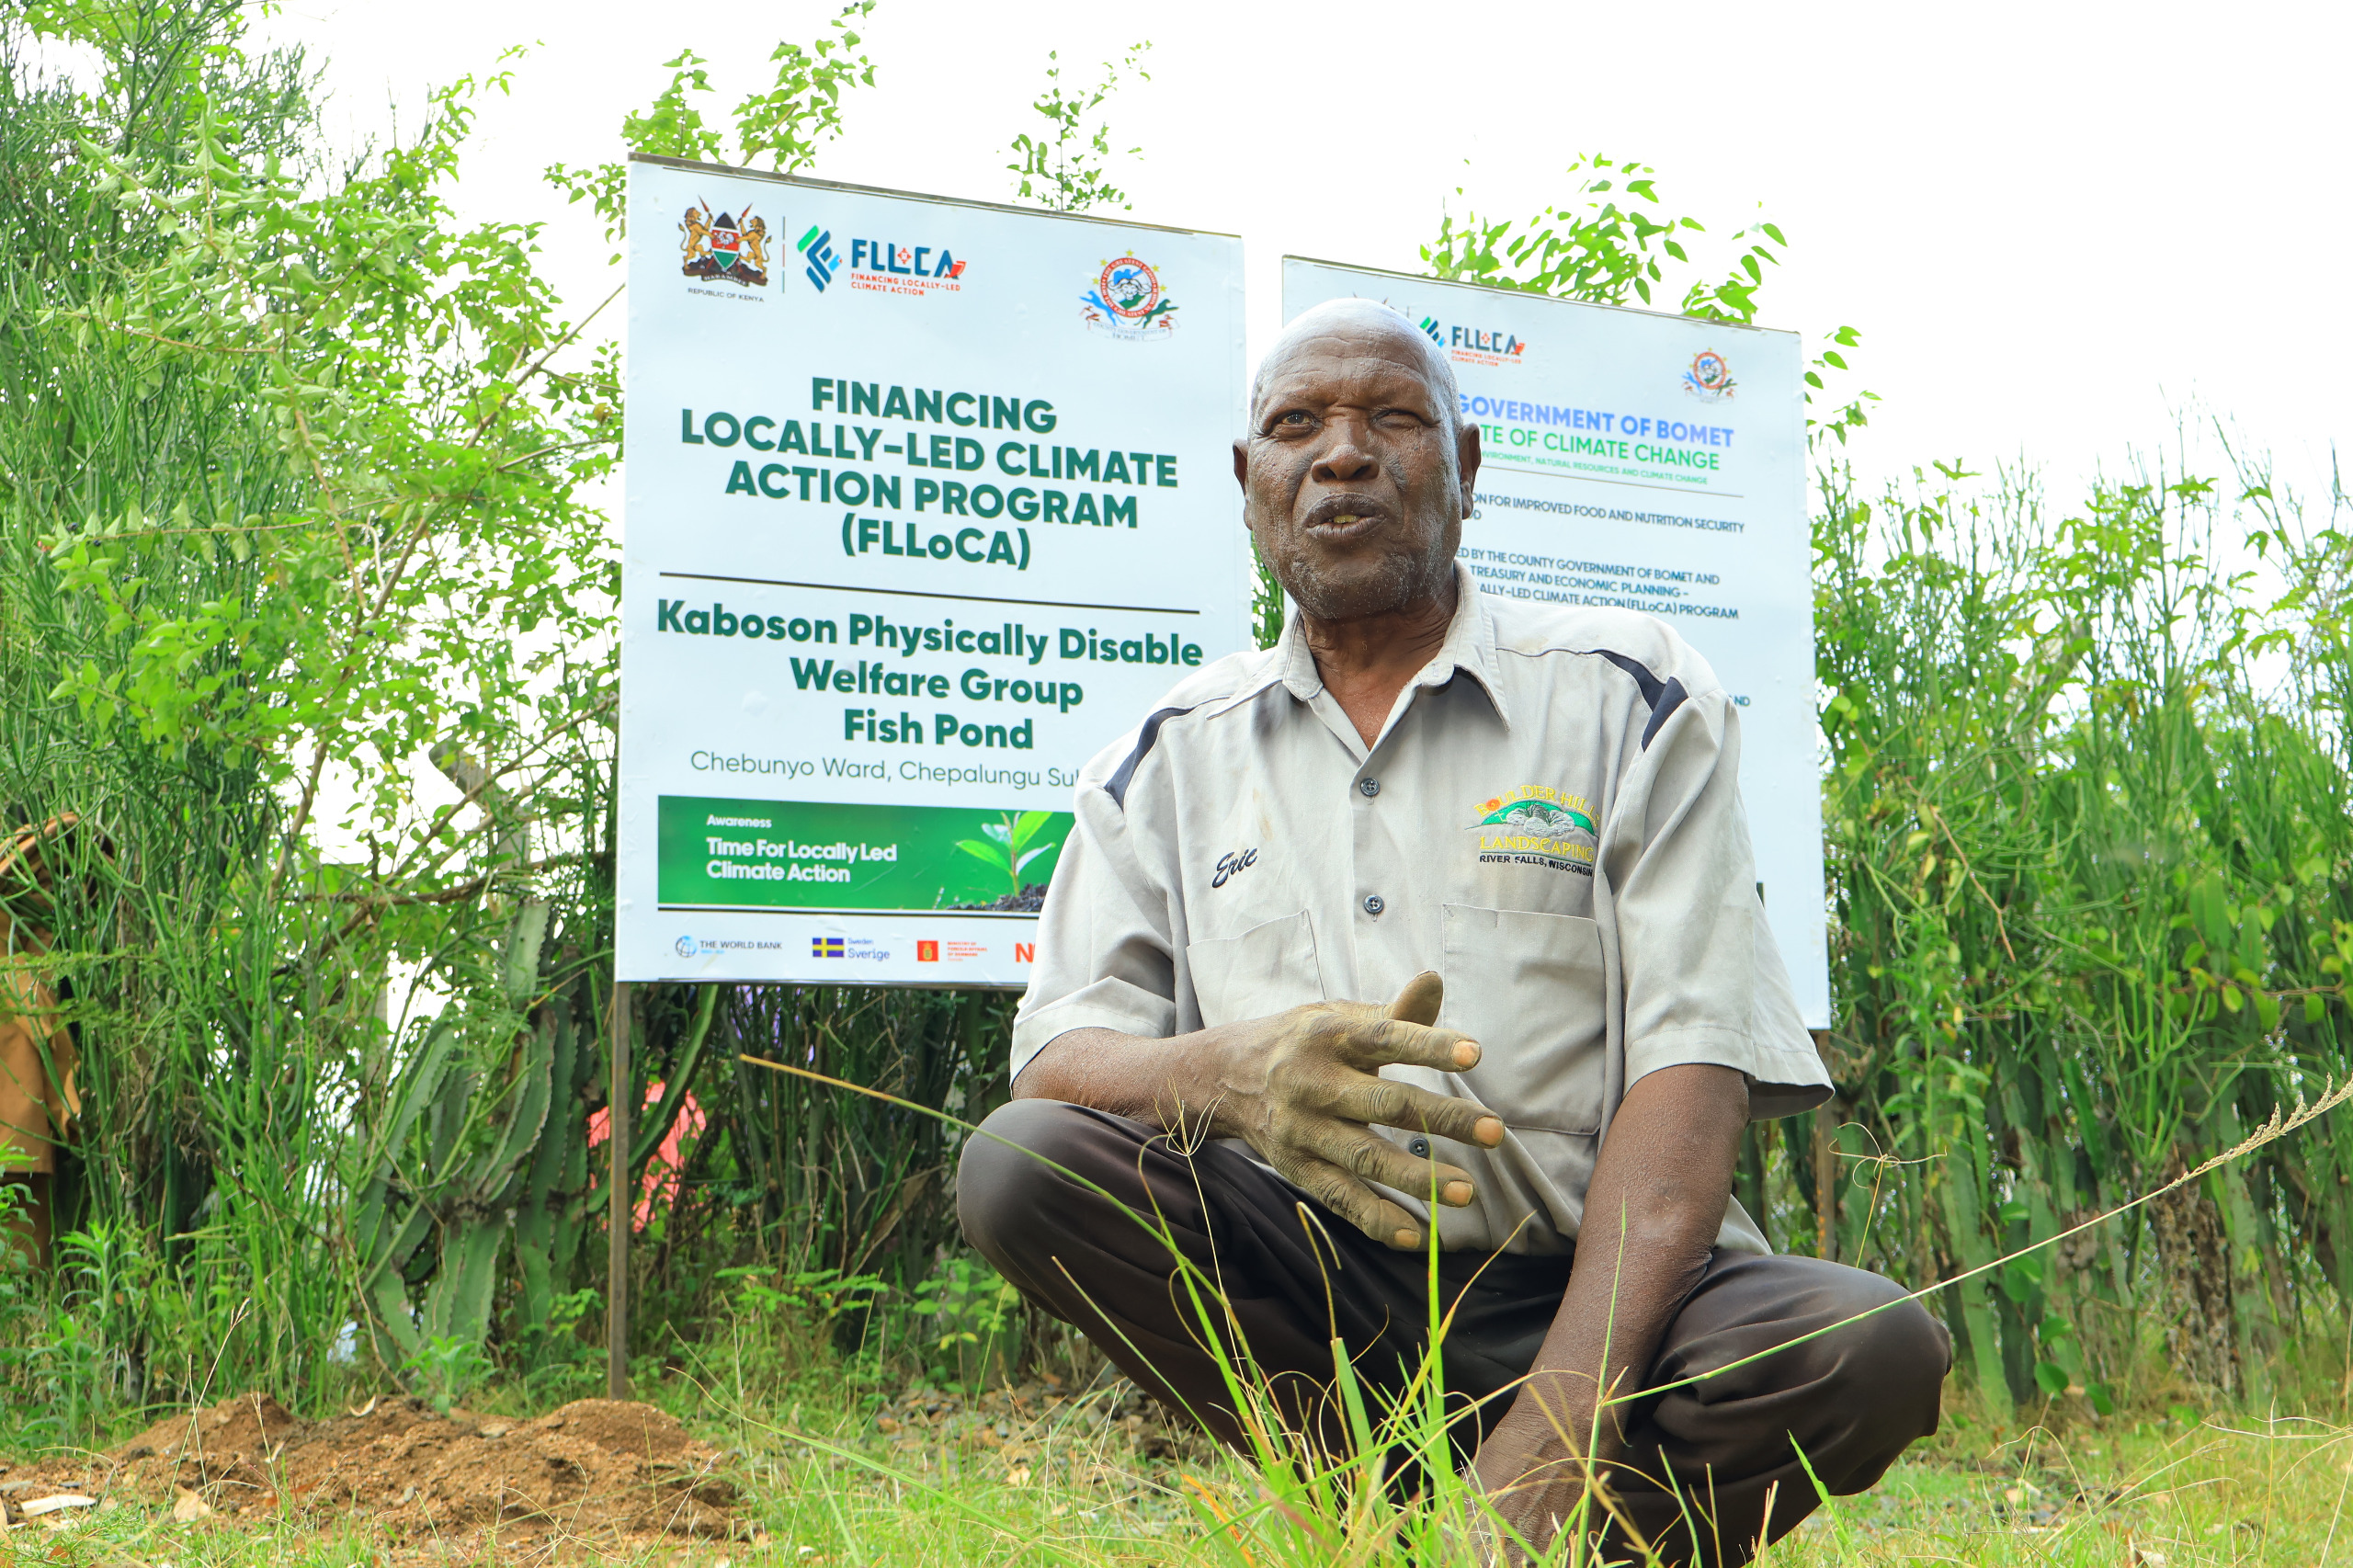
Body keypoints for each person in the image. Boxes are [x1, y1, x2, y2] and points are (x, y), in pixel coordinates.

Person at [956, 299, 1948, 1564]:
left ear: (1467, 471)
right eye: (1297, 425)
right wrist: (1234, 1073)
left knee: (1869, 1348)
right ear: (1248, 481)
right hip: (1313, 1294)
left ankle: (1562, 1530)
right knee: (1022, 1161)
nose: (1344, 454)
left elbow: (1692, 1074)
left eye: (1395, 418)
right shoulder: (1164, 759)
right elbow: (1061, 1058)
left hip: (1597, 1285)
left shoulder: (1629, 694)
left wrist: (1551, 1433)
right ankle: (1365, 1502)